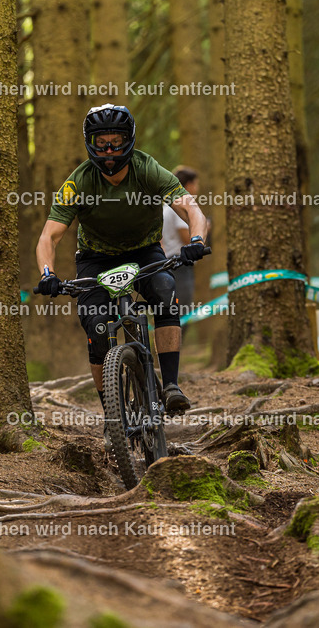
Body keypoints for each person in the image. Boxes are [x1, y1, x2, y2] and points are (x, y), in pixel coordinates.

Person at [35, 104, 209, 416]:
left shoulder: (147, 169)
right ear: (90, 142)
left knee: (165, 292)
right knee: (98, 326)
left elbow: (190, 208)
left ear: (129, 140)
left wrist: (197, 240)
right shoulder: (79, 182)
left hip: (143, 252)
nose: (110, 149)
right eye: (102, 142)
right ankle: (112, 416)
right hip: (95, 259)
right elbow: (50, 236)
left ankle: (170, 386)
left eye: (116, 141)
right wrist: (47, 273)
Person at [161, 166, 200, 327]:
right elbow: (185, 236)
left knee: (173, 309)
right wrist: (200, 235)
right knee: (183, 311)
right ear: (188, 185)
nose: (197, 188)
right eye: (196, 184)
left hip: (169, 263)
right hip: (180, 263)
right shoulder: (182, 203)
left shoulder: (168, 205)